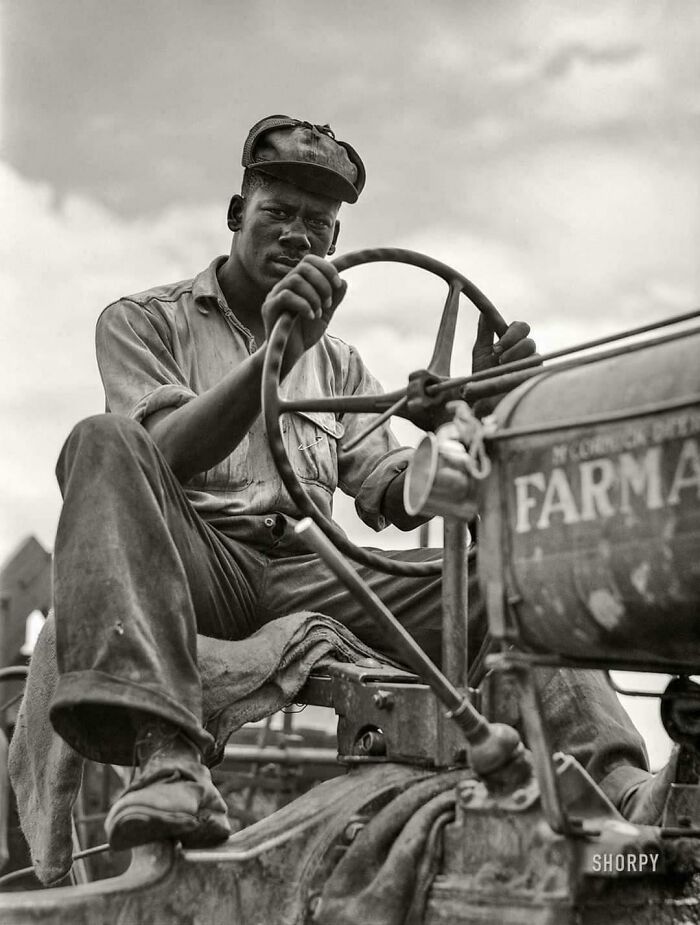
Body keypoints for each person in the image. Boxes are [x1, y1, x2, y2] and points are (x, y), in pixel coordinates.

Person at [50, 115, 669, 852]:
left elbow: (396, 489)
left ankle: (622, 795)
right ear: (235, 215)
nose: (297, 235)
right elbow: (160, 452)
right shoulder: (143, 322)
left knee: (506, 579)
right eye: (277, 213)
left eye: (318, 222)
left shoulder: (340, 365)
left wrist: (474, 418)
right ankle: (167, 760)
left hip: (309, 568)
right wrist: (272, 364)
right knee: (100, 439)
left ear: (337, 244)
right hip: (193, 568)